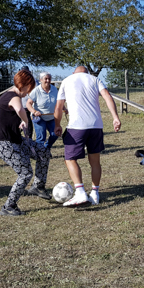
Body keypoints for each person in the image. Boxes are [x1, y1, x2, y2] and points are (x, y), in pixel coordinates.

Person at [54, 66, 121, 206]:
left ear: (74, 73)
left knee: (70, 159)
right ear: (87, 73)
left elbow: (59, 106)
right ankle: (95, 193)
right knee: (95, 161)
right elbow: (107, 96)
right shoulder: (95, 79)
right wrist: (115, 117)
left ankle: (80, 192)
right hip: (96, 126)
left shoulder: (67, 80)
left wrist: (57, 124)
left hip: (76, 126)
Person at [0, 70, 52, 216]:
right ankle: (8, 206)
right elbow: (19, 108)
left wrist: (20, 124)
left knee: (44, 152)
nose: (28, 93)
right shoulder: (12, 96)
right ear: (23, 85)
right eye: (28, 89)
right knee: (25, 173)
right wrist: (25, 120)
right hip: (4, 144)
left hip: (18, 141)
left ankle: (38, 186)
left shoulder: (12, 96)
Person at [27, 72, 65, 149]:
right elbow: (28, 104)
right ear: (41, 80)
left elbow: (59, 101)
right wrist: (34, 112)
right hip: (39, 118)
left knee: (55, 134)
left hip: (52, 117)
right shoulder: (36, 90)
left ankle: (46, 149)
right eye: (46, 79)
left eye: (49, 79)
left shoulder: (54, 89)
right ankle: (40, 154)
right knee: (41, 138)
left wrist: (64, 108)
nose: (48, 80)